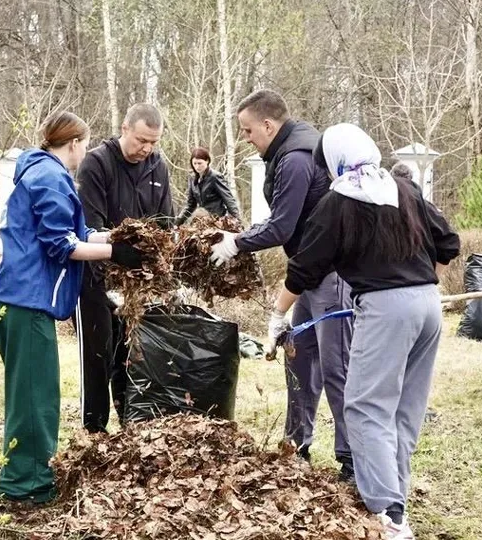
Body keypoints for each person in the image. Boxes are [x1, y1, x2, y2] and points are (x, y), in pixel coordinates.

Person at [267, 123, 460, 538]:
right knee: (403, 409)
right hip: (428, 306)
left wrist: (278, 315)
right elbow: (449, 244)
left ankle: (388, 514)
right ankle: (396, 500)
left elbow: (304, 268)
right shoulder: (403, 189)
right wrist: (422, 283)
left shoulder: (340, 201)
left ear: (335, 162)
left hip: (386, 311)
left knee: (364, 407)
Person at [0, 111, 144, 505]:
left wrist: (117, 238)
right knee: (35, 400)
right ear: (74, 143)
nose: (84, 152)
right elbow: (63, 245)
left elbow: (78, 233)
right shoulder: (50, 177)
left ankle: (24, 477)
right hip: (25, 303)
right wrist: (115, 253)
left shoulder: (42, 173)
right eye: (84, 145)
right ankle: (28, 486)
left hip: (20, 302)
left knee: (31, 395)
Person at [209, 89, 354, 480]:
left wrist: (237, 243)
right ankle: (296, 445)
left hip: (333, 278)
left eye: (248, 130)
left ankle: (352, 460)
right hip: (308, 275)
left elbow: (282, 227)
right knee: (298, 358)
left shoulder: (295, 159)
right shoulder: (287, 151)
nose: (245, 138)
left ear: (269, 125)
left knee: (336, 369)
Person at [74, 103, 174, 433]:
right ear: (125, 129)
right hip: (95, 277)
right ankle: (94, 430)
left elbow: (165, 223)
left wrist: (160, 265)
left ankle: (131, 427)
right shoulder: (97, 163)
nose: (146, 149)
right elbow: (89, 227)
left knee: (131, 355)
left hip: (135, 282)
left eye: (153, 142)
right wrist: (119, 252)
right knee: (99, 355)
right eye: (141, 140)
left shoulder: (158, 168)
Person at [174, 147, 241, 225]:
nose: (197, 167)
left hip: (217, 220)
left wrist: (237, 221)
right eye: (194, 163)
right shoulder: (192, 178)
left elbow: (229, 200)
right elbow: (190, 205)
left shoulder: (215, 177)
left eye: (200, 163)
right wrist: (177, 223)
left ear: (207, 161)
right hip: (202, 220)